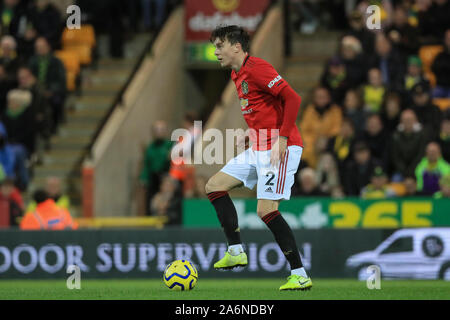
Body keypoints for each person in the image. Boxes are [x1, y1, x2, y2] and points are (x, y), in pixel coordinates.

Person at [207, 25, 312, 291]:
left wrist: (284, 138)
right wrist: (251, 133)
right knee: (214, 186)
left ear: (236, 47)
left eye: (220, 45)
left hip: (280, 147)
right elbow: (262, 108)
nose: (216, 51)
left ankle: (299, 274)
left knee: (266, 210)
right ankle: (235, 251)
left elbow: (293, 98)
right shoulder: (236, 73)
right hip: (259, 145)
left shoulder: (257, 68)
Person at [139, 120, 174, 215]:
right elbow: (146, 165)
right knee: (150, 201)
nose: (159, 132)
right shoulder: (150, 147)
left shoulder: (170, 145)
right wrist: (143, 178)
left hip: (166, 177)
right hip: (153, 179)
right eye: (157, 129)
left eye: (162, 129)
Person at [390, 109, 427, 181]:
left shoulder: (422, 135)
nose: (408, 122)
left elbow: (421, 155)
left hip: (418, 169)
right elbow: (395, 157)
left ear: (415, 121)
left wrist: (411, 171)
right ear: (401, 122)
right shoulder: (395, 136)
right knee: (395, 180)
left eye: (410, 119)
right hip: (401, 171)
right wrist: (405, 172)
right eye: (405, 120)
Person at [431, 29, 450, 98]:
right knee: (430, 95)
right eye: (448, 39)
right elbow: (434, 68)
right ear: (445, 40)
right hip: (441, 86)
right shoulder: (440, 55)